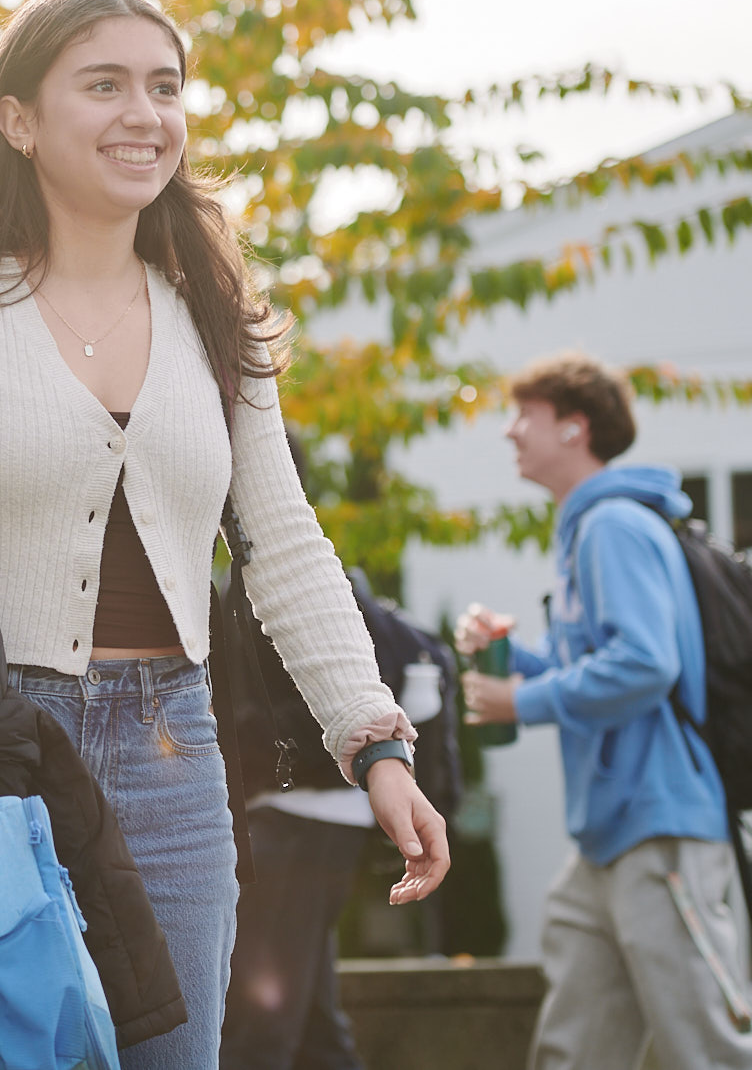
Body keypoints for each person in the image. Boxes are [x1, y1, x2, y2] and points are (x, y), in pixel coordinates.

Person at [0, 0, 450, 1068]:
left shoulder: (217, 322)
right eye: (103, 85)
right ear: (18, 119)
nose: (143, 114)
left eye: (164, 87)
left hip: (175, 756)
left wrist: (373, 742)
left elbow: (284, 548)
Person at [456, 352, 752, 1070]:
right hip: (609, 837)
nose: (511, 431)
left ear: (574, 428)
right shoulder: (590, 530)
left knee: (711, 1048)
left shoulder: (613, 526)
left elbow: (645, 663)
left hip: (659, 828)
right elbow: (596, 664)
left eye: (526, 415)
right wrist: (516, 658)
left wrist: (522, 700)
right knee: (575, 1051)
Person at [222, 432, 463, 1070]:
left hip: (295, 818)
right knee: (312, 1028)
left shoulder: (269, 582)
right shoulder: (255, 577)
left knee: (258, 1028)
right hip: (315, 820)